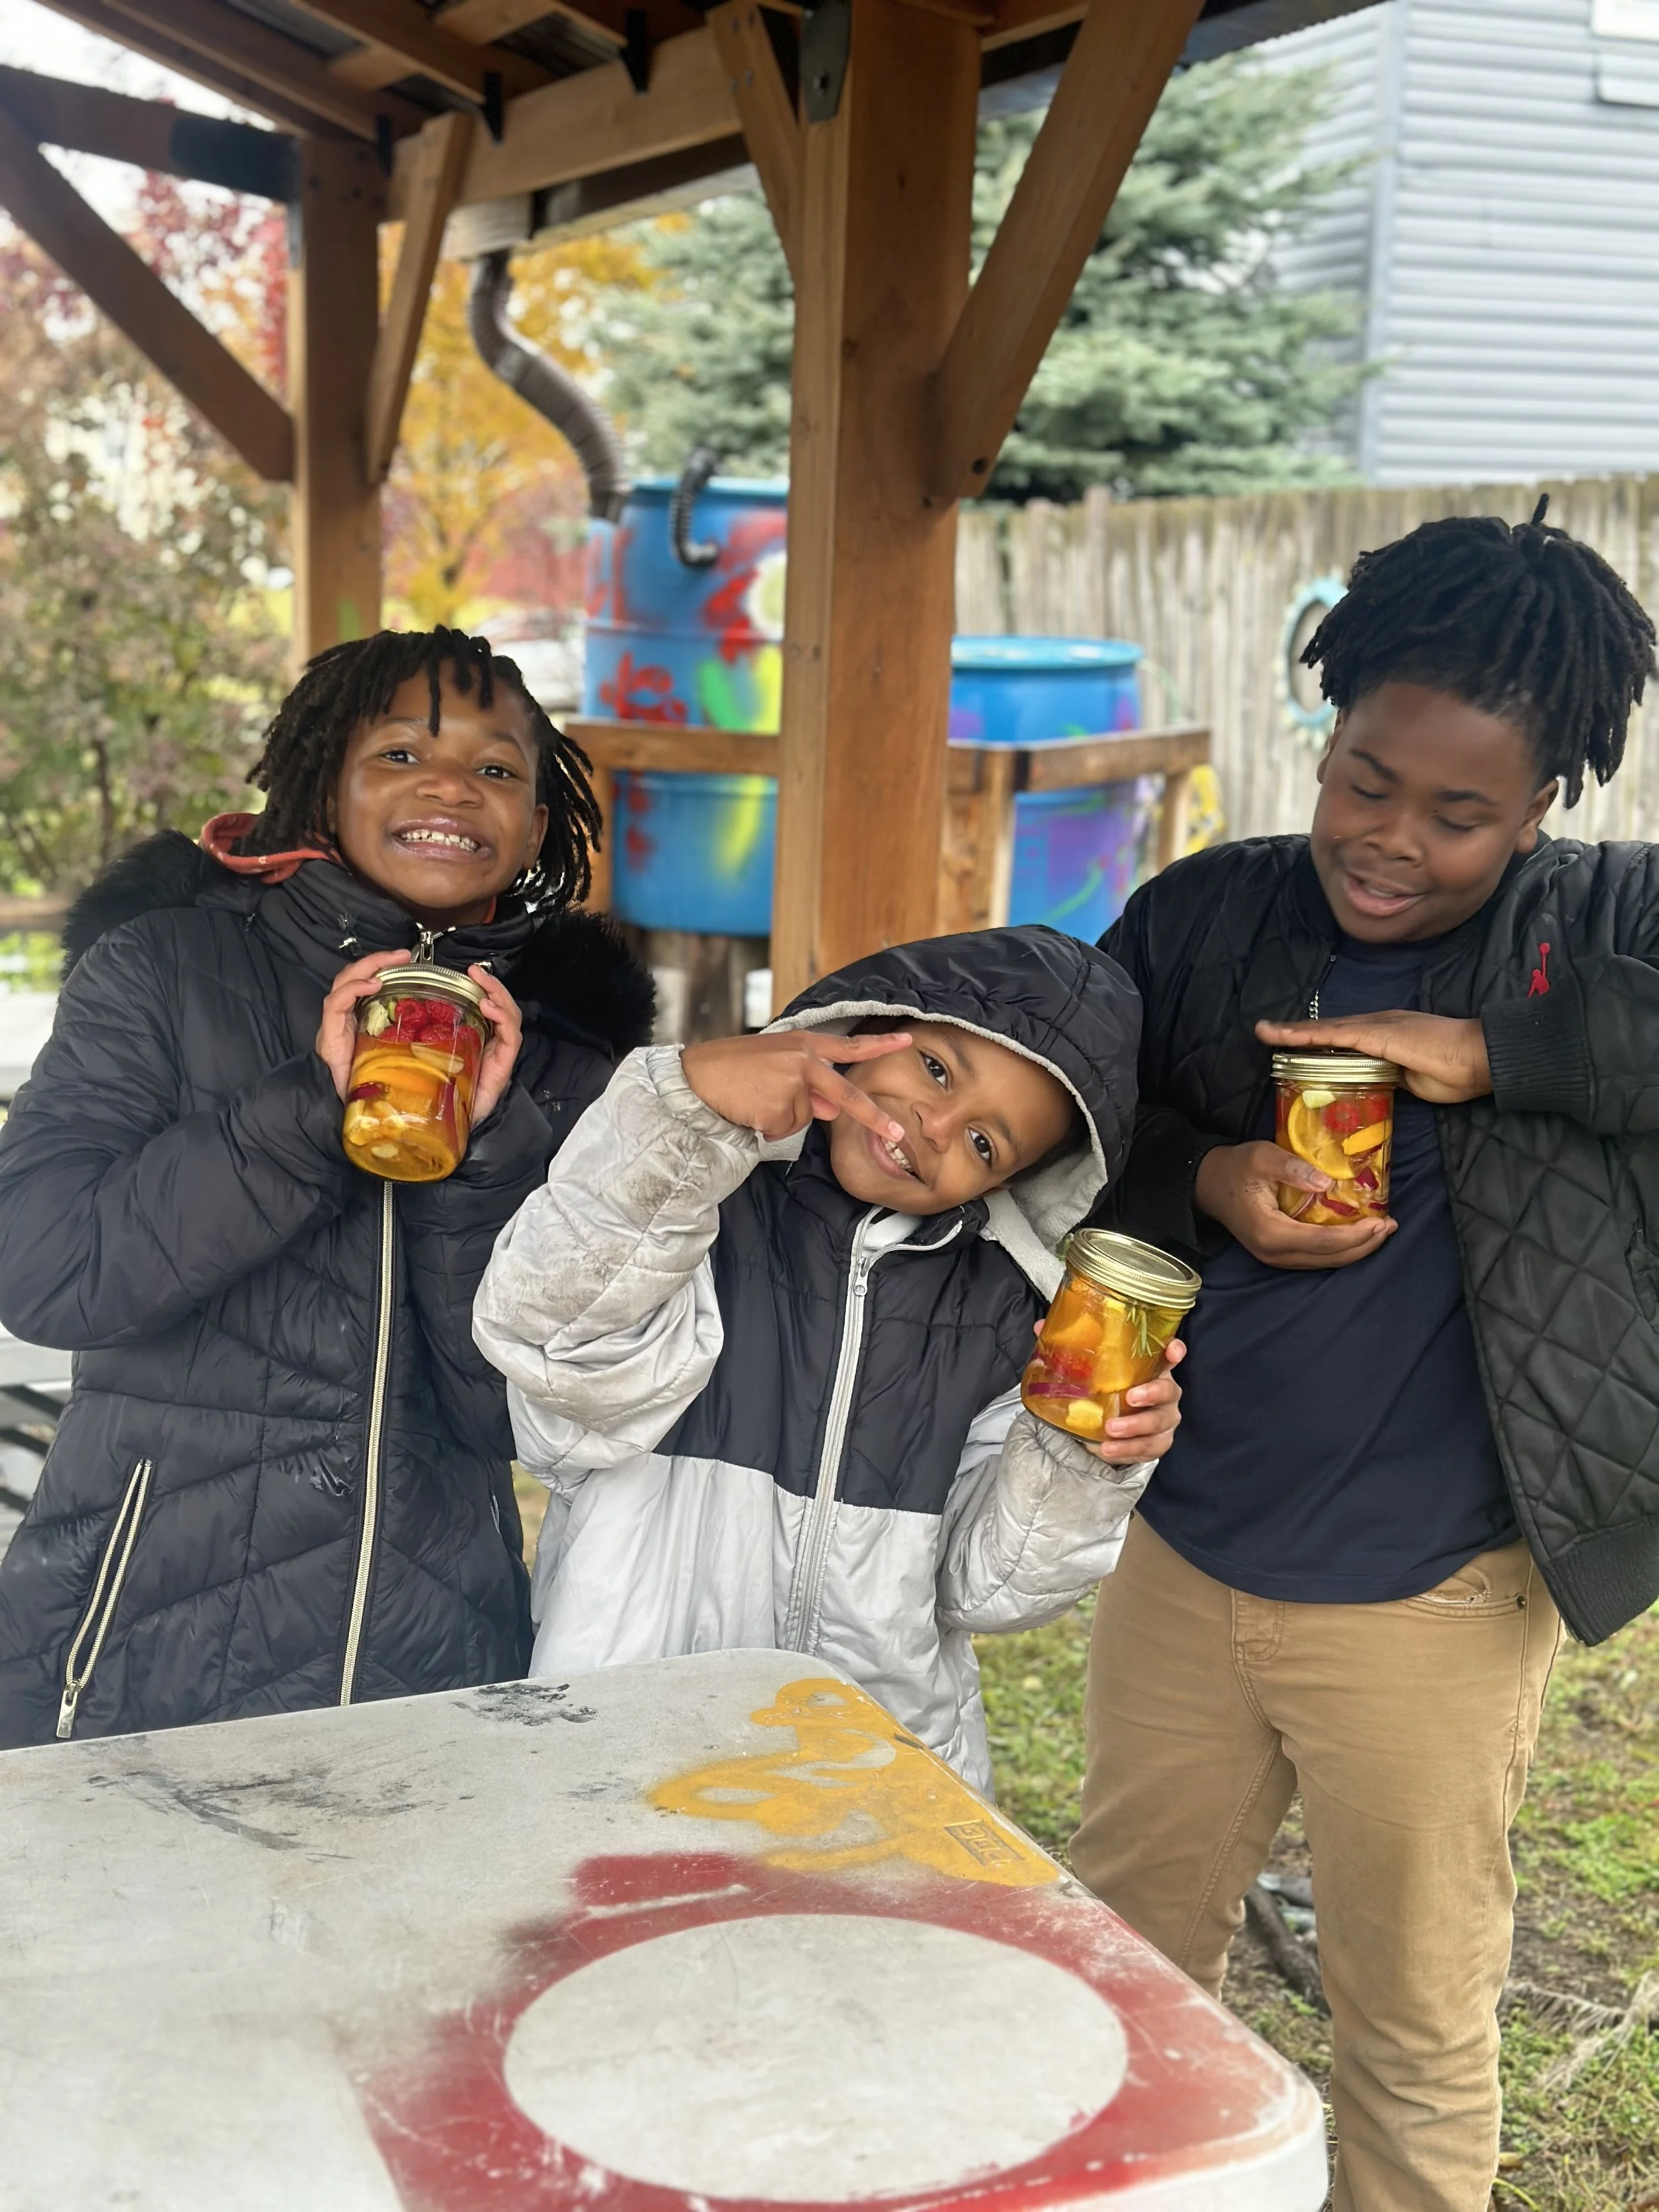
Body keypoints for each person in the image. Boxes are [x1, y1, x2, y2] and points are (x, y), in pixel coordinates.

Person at [1073, 502, 1659, 2212]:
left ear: (1546, 801)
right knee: (1117, 1961)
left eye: (1459, 811)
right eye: (1361, 780)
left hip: (1435, 1597)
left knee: (1406, 2017)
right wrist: (1209, 1177)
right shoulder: (1203, 917)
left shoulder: (1604, 929)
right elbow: (1064, 1119)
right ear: (1321, 739)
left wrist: (1500, 1046)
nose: (1389, 838)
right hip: (1181, 1556)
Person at [0, 627, 653, 1747]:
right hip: (134, 1640)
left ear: (538, 826)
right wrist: (314, 1107)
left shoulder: (566, 1060)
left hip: (432, 1657)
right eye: (400, 753)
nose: (453, 785)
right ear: (322, 791)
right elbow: (49, 1274)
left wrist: (487, 1152)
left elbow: (531, 1416)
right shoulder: (164, 970)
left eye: (498, 770)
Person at [474, 926, 1181, 1789]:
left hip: (875, 1774)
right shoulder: (700, 1202)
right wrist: (680, 1117)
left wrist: (1080, 1461)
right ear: (863, 1026)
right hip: (628, 1739)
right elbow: (551, 1340)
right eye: (936, 1069)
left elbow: (987, 1594)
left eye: (987, 1144)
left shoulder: (1012, 1315)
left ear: (1009, 1185)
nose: (937, 1123)